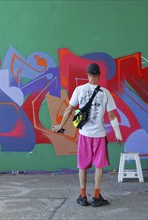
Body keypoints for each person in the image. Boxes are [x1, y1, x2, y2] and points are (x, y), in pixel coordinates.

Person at [51, 63, 122, 207]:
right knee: (99, 167)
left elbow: (69, 110)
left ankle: (83, 196)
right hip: (99, 136)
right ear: (99, 76)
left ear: (88, 75)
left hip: (84, 135)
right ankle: (96, 196)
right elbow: (112, 115)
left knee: (82, 167)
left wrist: (60, 126)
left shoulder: (79, 90)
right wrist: (118, 134)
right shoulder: (105, 92)